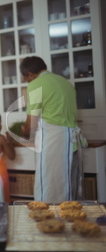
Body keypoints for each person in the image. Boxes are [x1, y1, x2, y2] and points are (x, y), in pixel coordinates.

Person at [19, 56, 86, 202]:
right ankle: (70, 222)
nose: (27, 82)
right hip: (72, 143)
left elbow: (31, 124)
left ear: (31, 74)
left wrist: (23, 131)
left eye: (26, 79)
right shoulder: (66, 83)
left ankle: (50, 224)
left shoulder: (36, 84)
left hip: (54, 143)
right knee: (70, 187)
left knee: (50, 188)